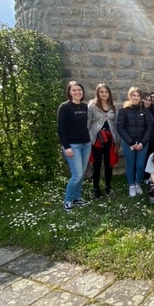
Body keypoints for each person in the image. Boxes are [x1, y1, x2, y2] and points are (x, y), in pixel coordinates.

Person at [57, 81, 91, 212]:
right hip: (72, 145)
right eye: (74, 90)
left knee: (81, 173)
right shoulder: (64, 107)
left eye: (79, 90)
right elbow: (60, 129)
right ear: (69, 92)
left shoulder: (85, 107)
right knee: (77, 174)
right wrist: (67, 147)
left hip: (86, 144)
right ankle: (67, 200)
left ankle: (77, 198)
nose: (77, 92)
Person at [117, 87, 154, 197]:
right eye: (134, 95)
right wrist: (131, 142)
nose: (136, 98)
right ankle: (131, 185)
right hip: (129, 143)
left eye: (138, 96)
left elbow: (150, 128)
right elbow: (120, 128)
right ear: (130, 96)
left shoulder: (145, 111)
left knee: (140, 164)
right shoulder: (124, 111)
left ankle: (138, 184)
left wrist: (142, 142)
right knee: (130, 164)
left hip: (143, 143)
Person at [87, 83, 119, 198]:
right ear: (97, 93)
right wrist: (89, 138)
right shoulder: (92, 106)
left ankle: (108, 186)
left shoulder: (113, 107)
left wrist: (117, 141)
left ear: (109, 93)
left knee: (109, 163)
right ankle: (95, 187)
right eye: (101, 92)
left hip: (110, 139)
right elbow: (88, 122)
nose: (104, 94)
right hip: (97, 139)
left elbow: (116, 124)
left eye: (106, 92)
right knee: (97, 163)